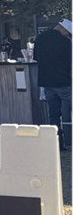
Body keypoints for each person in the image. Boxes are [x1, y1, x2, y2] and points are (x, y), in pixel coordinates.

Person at [34, 17, 72, 151]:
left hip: (47, 82)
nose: (68, 35)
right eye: (69, 33)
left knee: (54, 114)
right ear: (63, 29)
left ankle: (56, 143)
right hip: (64, 82)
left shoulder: (40, 39)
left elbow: (36, 58)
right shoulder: (65, 42)